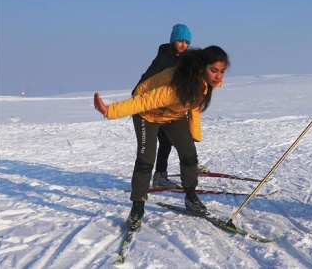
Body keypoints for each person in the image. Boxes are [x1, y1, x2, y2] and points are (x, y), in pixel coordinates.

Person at [94, 46, 230, 230]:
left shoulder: (205, 83)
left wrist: (194, 133)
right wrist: (109, 110)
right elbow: (144, 101)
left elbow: (195, 105)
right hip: (147, 114)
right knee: (146, 160)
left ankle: (191, 197)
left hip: (173, 116)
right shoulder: (177, 85)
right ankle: (137, 208)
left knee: (189, 156)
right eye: (214, 71)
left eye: (222, 71)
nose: (218, 76)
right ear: (200, 68)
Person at [134, 24, 210, 190]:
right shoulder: (163, 59)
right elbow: (147, 77)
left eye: (186, 42)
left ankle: (191, 165)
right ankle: (160, 175)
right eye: (180, 41)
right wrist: (137, 94)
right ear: (173, 40)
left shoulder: (185, 59)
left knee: (185, 137)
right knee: (165, 142)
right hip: (156, 108)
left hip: (174, 107)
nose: (183, 45)